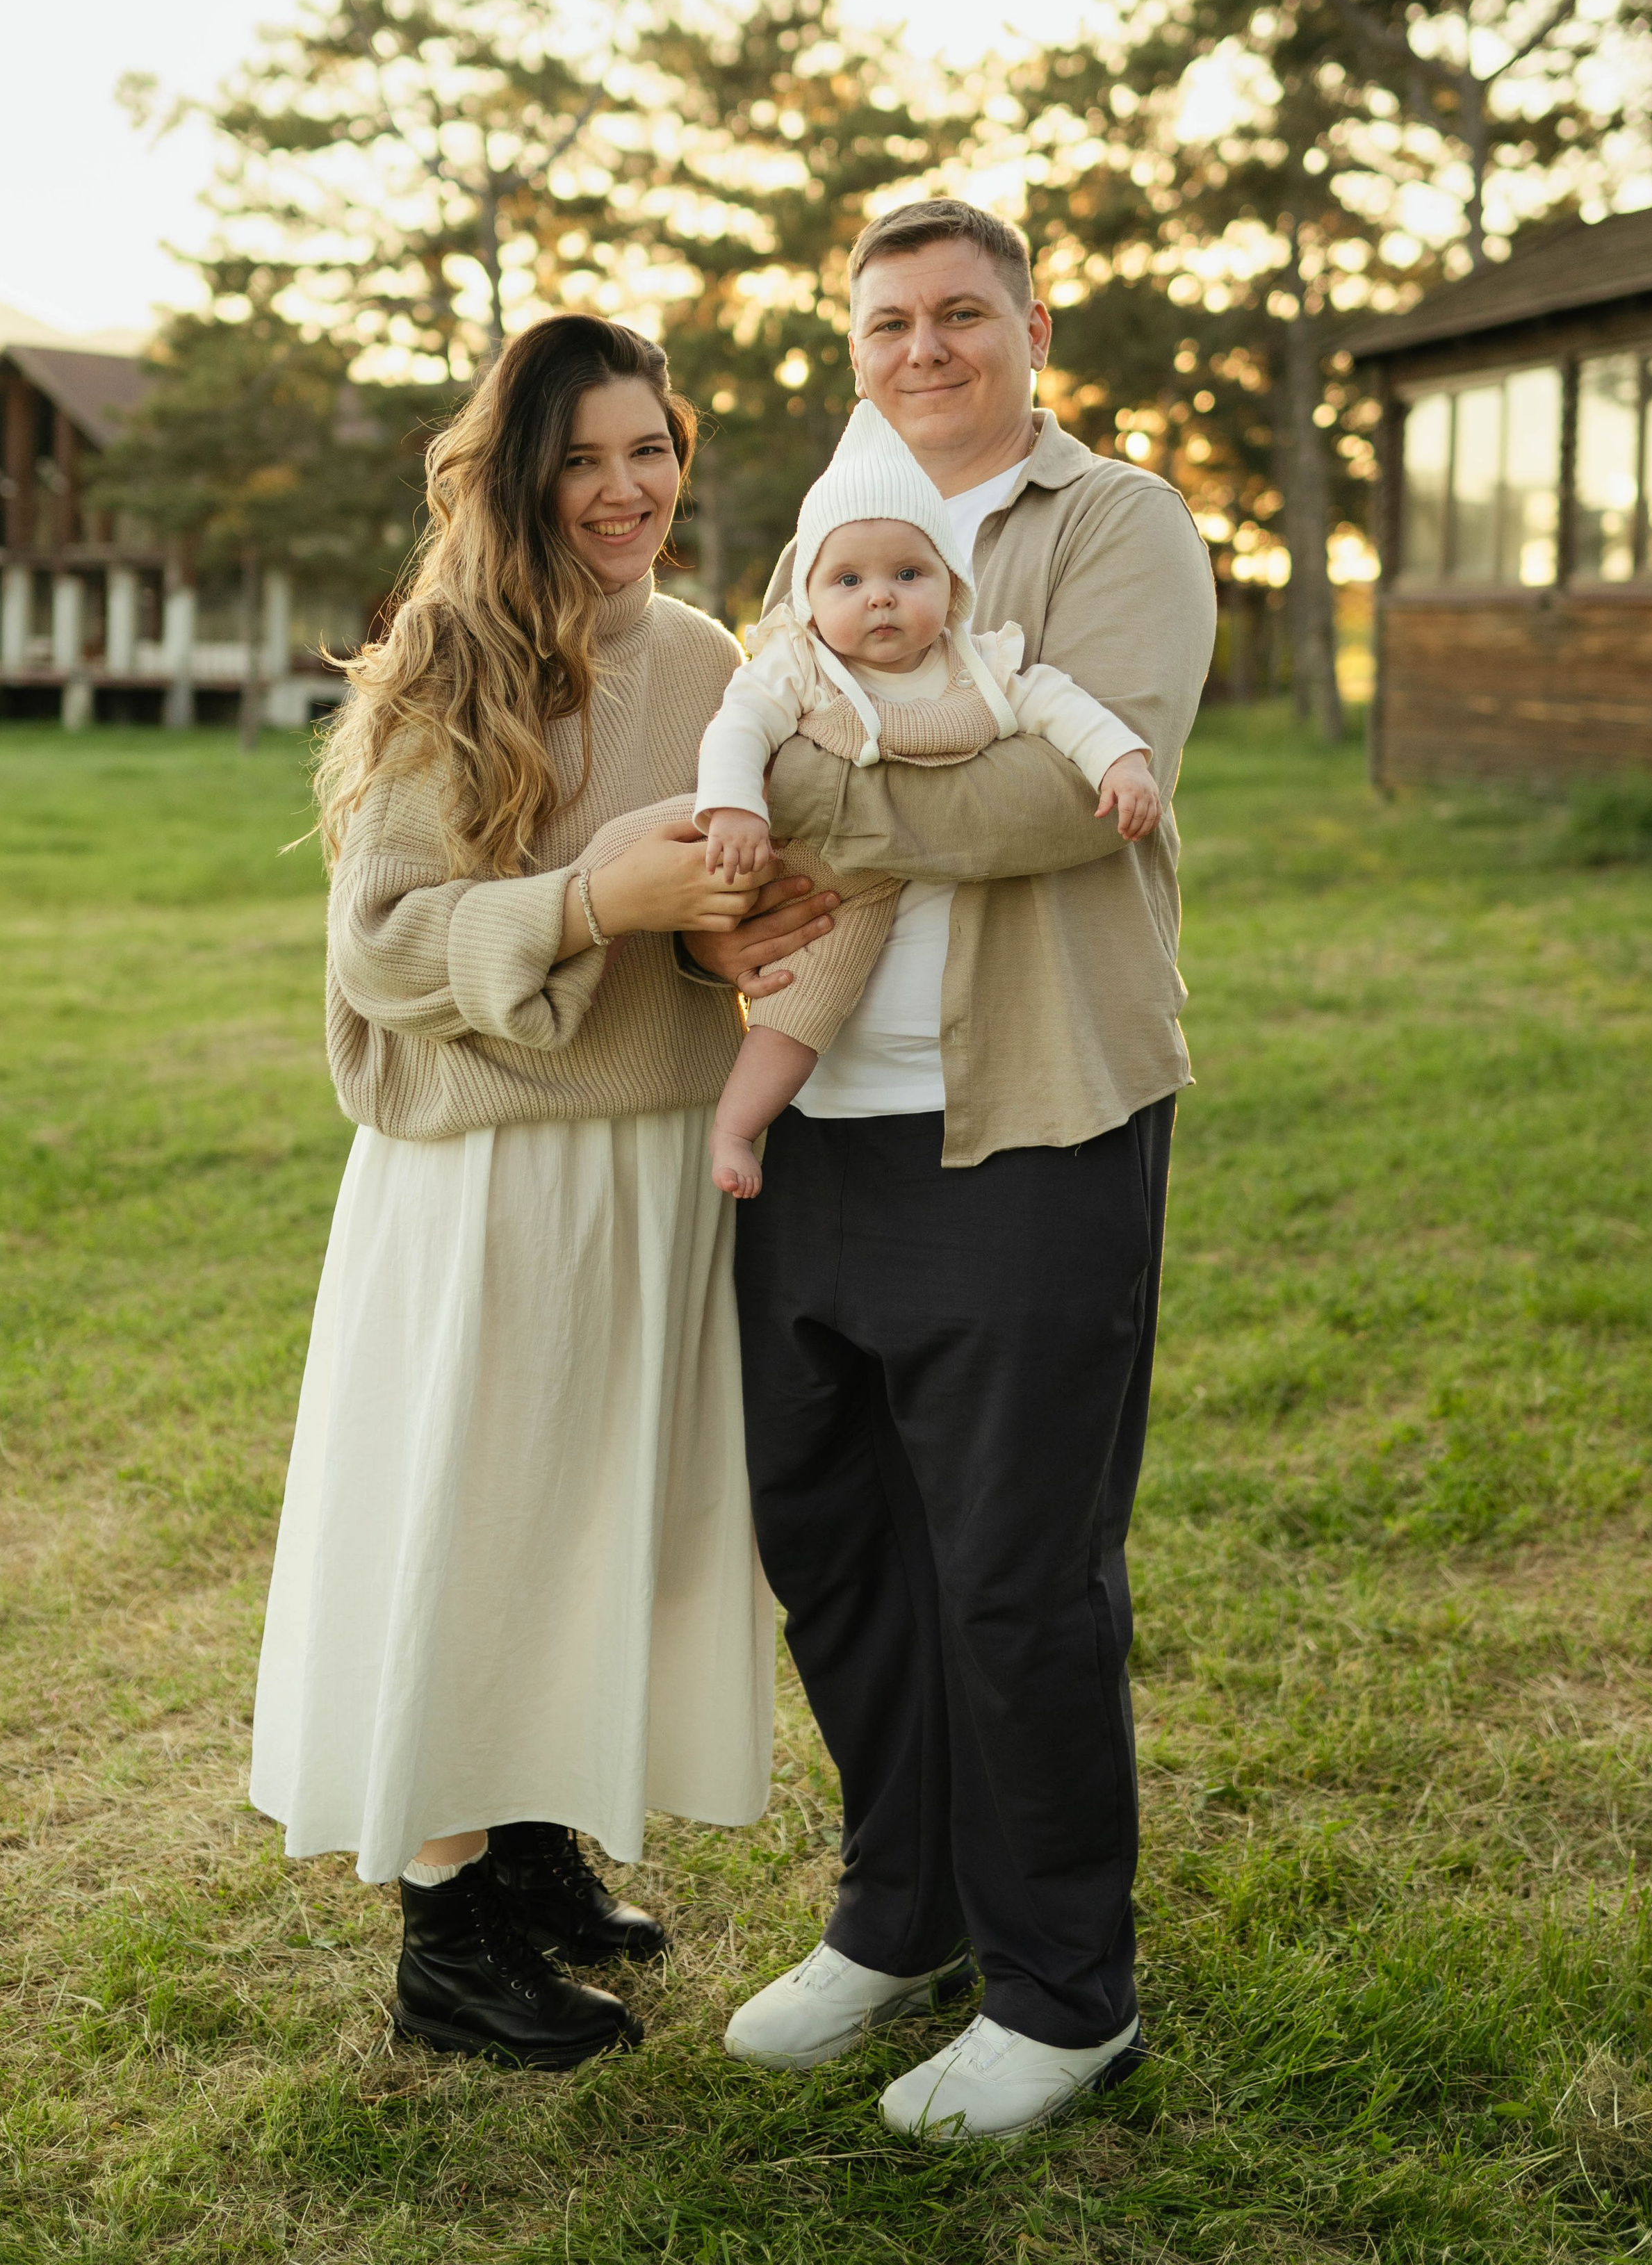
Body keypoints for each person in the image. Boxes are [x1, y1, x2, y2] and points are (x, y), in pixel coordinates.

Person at [248, 315, 837, 2072]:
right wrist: (593, 897)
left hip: (659, 1155)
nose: (623, 487)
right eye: (580, 456)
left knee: (593, 1525)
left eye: (647, 448)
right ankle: (445, 1932)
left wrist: (736, 913)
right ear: (515, 475)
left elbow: (723, 896)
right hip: (491, 1179)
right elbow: (385, 942)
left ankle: (526, 1846)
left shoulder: (709, 655)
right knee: (478, 1519)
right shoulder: (444, 666)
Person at [723, 199, 1217, 2141]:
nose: (922, 348)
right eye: (886, 320)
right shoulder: (829, 521)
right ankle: (898, 1909)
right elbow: (741, 739)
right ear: (853, 344)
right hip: (822, 1124)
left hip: (1034, 1116)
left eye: (958, 315)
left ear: (1029, 325)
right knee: (834, 1544)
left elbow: (1047, 804)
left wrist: (813, 812)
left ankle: (1062, 1989)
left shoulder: (1123, 528)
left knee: (1016, 1573)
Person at [695, 400, 1159, 1197]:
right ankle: (721, 1107)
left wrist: (1120, 760)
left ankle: (737, 1128)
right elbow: (739, 726)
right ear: (808, 597)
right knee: (668, 868)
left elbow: (1059, 703)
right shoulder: (799, 664)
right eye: (848, 579)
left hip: (860, 892)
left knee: (804, 1010)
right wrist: (734, 806)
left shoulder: (976, 664)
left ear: (950, 588)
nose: (879, 597)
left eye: (907, 575)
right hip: (779, 855)